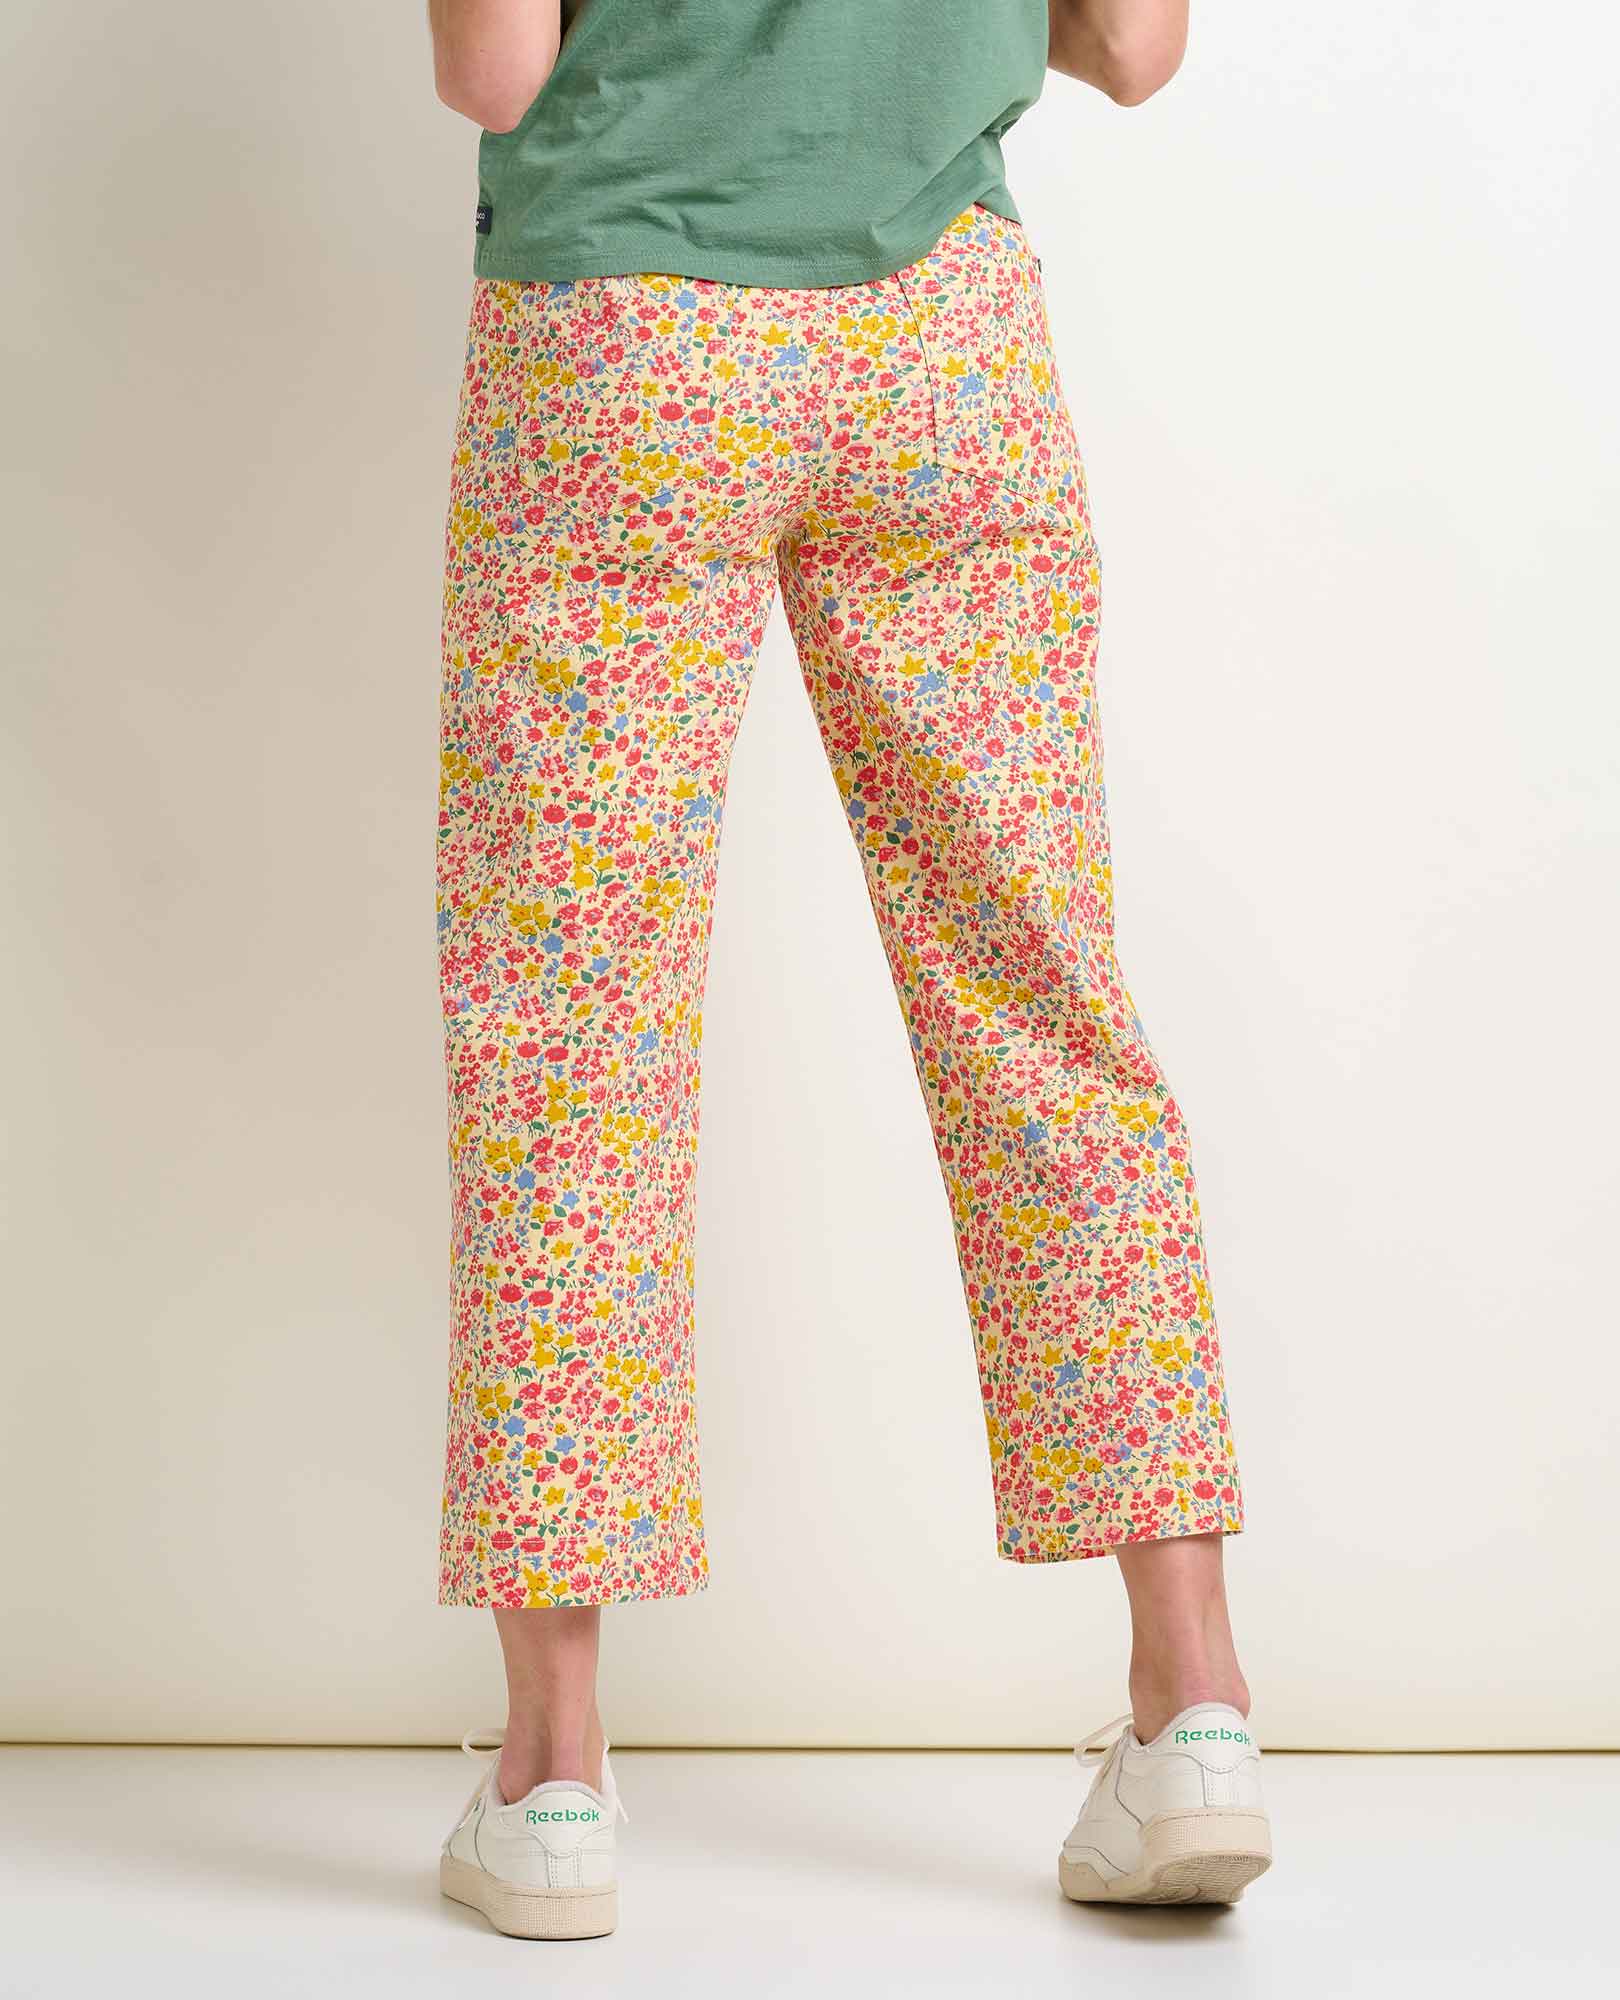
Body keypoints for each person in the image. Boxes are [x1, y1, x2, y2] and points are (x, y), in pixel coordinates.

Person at [427, 0, 1269, 1939]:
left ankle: (553, 1783)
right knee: (1041, 1001)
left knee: (571, 1035)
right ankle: (1196, 1707)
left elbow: (494, 71)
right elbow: (1136, 47)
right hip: (946, 347)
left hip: (626, 329)